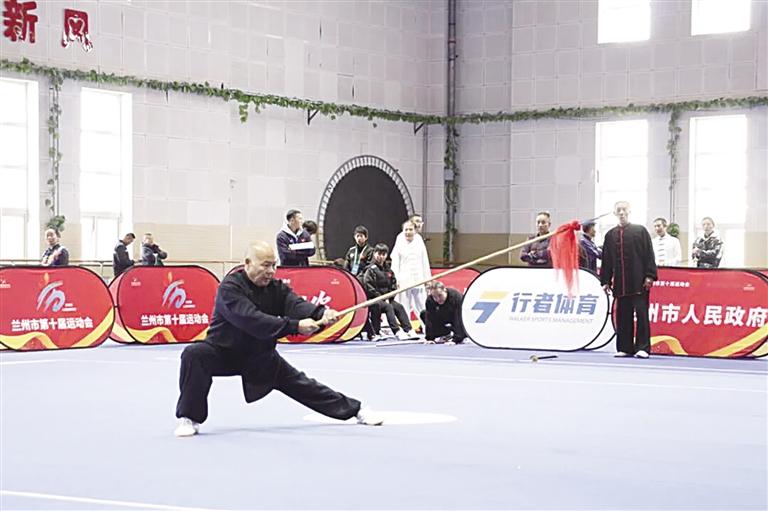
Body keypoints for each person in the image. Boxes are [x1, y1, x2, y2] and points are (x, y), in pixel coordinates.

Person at [174, 241, 384, 437]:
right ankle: (189, 418)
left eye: (273, 265)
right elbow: (251, 319)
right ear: (247, 263)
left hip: (259, 356)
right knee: (194, 355)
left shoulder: (276, 288)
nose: (271, 271)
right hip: (223, 352)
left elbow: (295, 304)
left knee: (305, 386)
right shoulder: (229, 288)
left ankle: (357, 410)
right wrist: (295, 326)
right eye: (265, 265)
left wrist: (321, 313)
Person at [600, 201, 657, 359]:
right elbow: (606, 259)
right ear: (615, 213)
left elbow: (649, 255)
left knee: (641, 315)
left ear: (629, 211)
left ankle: (643, 348)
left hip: (639, 281)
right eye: (618, 210)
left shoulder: (640, 231)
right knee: (623, 316)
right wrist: (605, 280)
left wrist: (650, 275)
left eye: (624, 210)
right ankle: (625, 347)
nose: (621, 212)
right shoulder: (610, 235)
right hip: (620, 284)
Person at [362, 243, 417, 341]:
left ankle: (409, 330)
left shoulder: (389, 270)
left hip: (388, 299)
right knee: (388, 307)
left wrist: (389, 297)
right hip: (374, 299)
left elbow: (393, 286)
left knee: (399, 307)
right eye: (379, 254)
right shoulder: (370, 270)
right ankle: (397, 331)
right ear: (374, 254)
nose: (381, 257)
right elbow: (369, 287)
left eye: (383, 254)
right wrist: (382, 298)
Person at [390, 220, 430, 321]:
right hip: (404, 279)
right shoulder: (399, 239)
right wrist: (395, 280)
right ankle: (407, 327)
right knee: (404, 305)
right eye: (406, 229)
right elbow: (395, 262)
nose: (408, 232)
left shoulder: (419, 240)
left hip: (418, 278)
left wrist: (427, 278)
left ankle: (427, 326)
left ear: (415, 230)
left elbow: (424, 260)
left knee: (422, 305)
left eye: (410, 229)